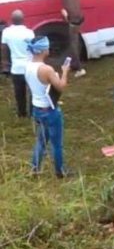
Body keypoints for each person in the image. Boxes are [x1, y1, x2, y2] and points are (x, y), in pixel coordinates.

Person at [25, 36, 70, 178]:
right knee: (57, 143)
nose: (49, 49)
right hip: (50, 110)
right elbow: (61, 86)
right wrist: (65, 72)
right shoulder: (46, 70)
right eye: (47, 47)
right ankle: (60, 171)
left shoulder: (28, 66)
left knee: (41, 140)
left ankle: (35, 168)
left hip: (37, 108)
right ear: (43, 50)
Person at [45, 0, 86, 78]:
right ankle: (74, 64)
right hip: (80, 19)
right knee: (74, 42)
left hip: (72, 22)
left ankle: (80, 69)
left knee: (73, 45)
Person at [1, 10, 34, 117]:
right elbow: (34, 49)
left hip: (16, 68)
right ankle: (32, 112)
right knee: (32, 91)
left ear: (12, 20)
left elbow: (4, 49)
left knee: (19, 92)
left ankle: (21, 112)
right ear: (23, 19)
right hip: (29, 66)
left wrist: (5, 64)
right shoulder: (29, 32)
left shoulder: (6, 32)